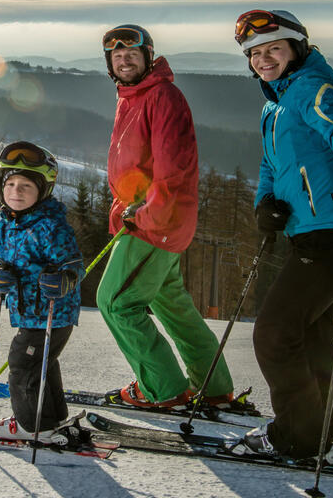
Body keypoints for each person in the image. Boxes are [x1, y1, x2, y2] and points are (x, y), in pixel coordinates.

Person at [230, 9, 333, 459]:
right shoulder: (274, 104)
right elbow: (271, 162)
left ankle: (299, 436)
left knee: (274, 333)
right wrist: (266, 201)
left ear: (297, 48)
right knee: (315, 338)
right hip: (313, 236)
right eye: (255, 53)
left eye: (273, 49)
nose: (264, 59)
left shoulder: (310, 88)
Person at [95, 24, 237, 409]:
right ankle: (213, 386)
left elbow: (173, 169)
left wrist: (143, 214)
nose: (124, 61)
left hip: (153, 223)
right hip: (151, 219)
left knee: (115, 303)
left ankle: (163, 388)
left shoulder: (162, 96)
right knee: (169, 304)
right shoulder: (132, 97)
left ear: (148, 56)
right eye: (117, 56)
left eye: (132, 54)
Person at [0, 141, 86, 444]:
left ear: (43, 190)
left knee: (22, 364)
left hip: (53, 313)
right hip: (28, 314)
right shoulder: (4, 223)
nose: (16, 191)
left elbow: (74, 265)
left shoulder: (51, 226)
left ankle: (31, 426)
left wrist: (63, 279)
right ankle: (52, 421)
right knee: (41, 363)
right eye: (10, 183)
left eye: (26, 185)